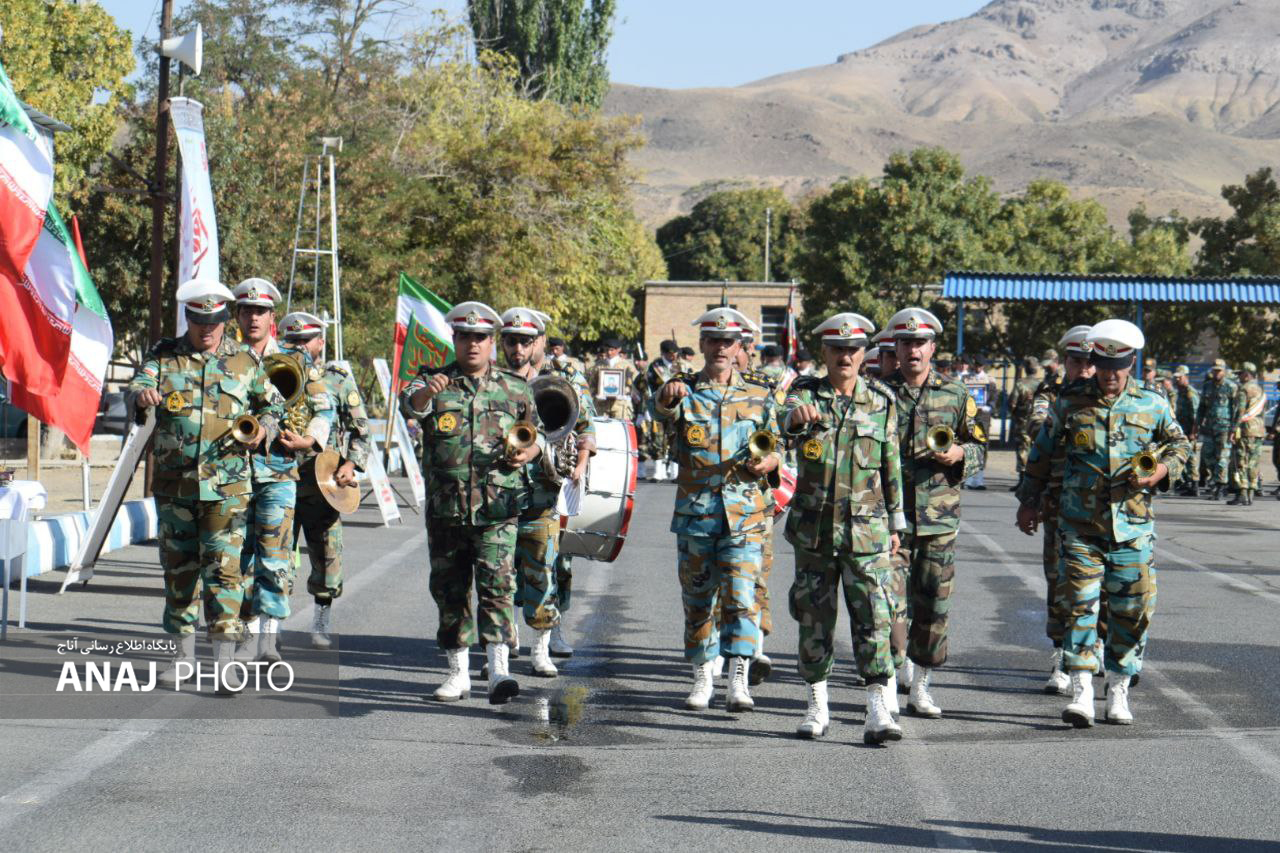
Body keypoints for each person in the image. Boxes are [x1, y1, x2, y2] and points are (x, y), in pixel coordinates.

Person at [1016, 319, 1189, 727]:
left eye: (1119, 367)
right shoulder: (1069, 402)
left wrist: (1161, 470)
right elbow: (1041, 454)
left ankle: (1117, 690)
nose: (1110, 376)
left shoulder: (1153, 403)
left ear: (1132, 363)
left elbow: (1180, 444)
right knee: (1079, 607)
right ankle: (1080, 692)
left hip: (1133, 527)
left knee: (1132, 610)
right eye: (1103, 366)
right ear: (1093, 361)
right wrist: (1028, 501)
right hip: (1079, 525)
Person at [127, 279, 283, 687]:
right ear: (188, 318)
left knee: (225, 574)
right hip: (175, 488)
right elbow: (139, 385)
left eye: (214, 320)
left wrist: (263, 429)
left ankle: (226, 661)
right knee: (179, 572)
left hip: (228, 491)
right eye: (198, 320)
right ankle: (182, 656)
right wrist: (142, 397)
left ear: (224, 319)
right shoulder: (164, 356)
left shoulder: (245, 361)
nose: (206, 329)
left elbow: (274, 407)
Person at [401, 301, 542, 705]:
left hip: (498, 508)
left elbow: (536, 436)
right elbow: (411, 406)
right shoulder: (430, 381)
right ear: (455, 339)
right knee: (450, 590)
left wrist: (526, 454)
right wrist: (429, 391)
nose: (473, 344)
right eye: (465, 336)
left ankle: (499, 672)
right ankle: (458, 673)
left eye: (481, 337)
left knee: (498, 586)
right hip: (447, 510)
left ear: (491, 341)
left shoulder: (514, 388)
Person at [782, 312, 905, 744]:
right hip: (814, 529)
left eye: (853, 350)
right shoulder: (802, 394)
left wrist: (898, 521)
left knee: (874, 616)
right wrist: (792, 421)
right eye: (837, 349)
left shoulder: (882, 401)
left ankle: (877, 706)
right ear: (825, 353)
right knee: (814, 617)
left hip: (868, 532)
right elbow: (777, 428)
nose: (845, 357)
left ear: (863, 353)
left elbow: (891, 466)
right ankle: (817, 702)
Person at [652, 307, 781, 713]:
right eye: (713, 340)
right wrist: (664, 399)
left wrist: (770, 461)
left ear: (740, 346)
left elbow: (776, 444)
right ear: (703, 345)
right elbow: (662, 417)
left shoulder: (760, 393)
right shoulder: (683, 389)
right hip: (697, 514)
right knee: (698, 600)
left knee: (742, 598)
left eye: (729, 341)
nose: (721, 347)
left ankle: (738, 679)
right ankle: (703, 675)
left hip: (746, 514)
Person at [882, 307, 986, 718]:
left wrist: (960, 453)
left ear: (932, 348)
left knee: (934, 606)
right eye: (905, 343)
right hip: (890, 519)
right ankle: (888, 681)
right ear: (896, 347)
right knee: (888, 604)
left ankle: (921, 684)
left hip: (939, 519)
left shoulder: (956, 394)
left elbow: (978, 446)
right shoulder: (877, 392)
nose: (913, 350)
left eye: (920, 343)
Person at [232, 279, 335, 663]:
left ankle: (268, 638)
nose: (253, 317)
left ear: (272, 317)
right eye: (246, 310)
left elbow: (324, 408)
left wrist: (310, 440)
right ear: (237, 316)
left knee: (275, 556)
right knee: (237, 556)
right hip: (232, 474)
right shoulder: (224, 357)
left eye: (261, 311)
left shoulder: (298, 360)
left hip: (279, 470)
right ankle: (244, 635)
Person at [499, 307, 595, 676]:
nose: (519, 347)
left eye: (527, 340)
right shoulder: (492, 380)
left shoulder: (561, 378)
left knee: (547, 567)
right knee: (499, 573)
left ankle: (545, 642)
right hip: (500, 493)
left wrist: (582, 462)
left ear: (538, 341)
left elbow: (583, 423)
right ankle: (503, 649)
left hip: (544, 491)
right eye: (512, 340)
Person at [285, 312, 371, 651]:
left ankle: (320, 621)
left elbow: (360, 429)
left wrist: (351, 464)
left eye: (305, 341)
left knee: (327, 557)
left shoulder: (337, 380)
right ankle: (271, 624)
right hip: (278, 479)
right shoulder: (272, 372)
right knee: (272, 556)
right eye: (292, 341)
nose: (299, 347)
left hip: (324, 485)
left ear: (320, 342)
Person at [1025, 325, 1096, 694]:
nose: (1084, 369)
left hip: (1099, 506)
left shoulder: (1109, 396)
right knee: (1058, 580)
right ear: (1064, 361)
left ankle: (1092, 649)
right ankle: (1061, 654)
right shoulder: (1050, 395)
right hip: (1057, 501)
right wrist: (1031, 499)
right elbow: (1039, 431)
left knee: (1101, 586)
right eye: (1076, 361)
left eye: (1090, 362)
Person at [1196, 358, 1238, 501]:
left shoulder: (1231, 386)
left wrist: (1234, 428)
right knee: (1208, 456)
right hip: (1209, 427)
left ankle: (1221, 486)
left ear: (1224, 371)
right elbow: (1201, 407)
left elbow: (1236, 409)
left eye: (1219, 371)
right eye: (1214, 370)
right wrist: (1197, 424)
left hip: (1224, 428)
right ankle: (1216, 480)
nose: (1216, 373)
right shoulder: (1207, 386)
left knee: (1222, 458)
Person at [1228, 362, 1265, 505]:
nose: (1239, 377)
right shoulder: (1260, 390)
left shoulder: (1243, 390)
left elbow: (1240, 412)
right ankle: (1251, 492)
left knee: (1242, 461)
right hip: (1259, 430)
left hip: (1245, 429)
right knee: (1254, 462)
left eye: (1241, 373)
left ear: (1247, 374)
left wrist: (1233, 430)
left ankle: (1243, 492)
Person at [645, 340, 682, 481]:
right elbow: (648, 387)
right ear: (663, 353)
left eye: (675, 353)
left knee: (675, 437)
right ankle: (658, 471)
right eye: (670, 353)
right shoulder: (655, 367)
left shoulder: (681, 366)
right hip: (658, 406)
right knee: (658, 438)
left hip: (676, 408)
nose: (673, 356)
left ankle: (675, 471)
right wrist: (647, 407)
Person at [962, 358, 996, 490]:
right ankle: (968, 478)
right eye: (976, 365)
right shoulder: (966, 379)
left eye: (981, 366)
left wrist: (990, 406)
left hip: (983, 416)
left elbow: (994, 396)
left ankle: (979, 479)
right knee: (969, 444)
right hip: (969, 416)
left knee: (982, 445)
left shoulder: (990, 380)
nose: (978, 368)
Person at [587, 337, 637, 422]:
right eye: (607, 350)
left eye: (612, 350)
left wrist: (625, 393)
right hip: (602, 405)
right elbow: (592, 384)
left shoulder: (627, 365)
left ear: (618, 350)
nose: (609, 352)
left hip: (620, 405)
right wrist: (596, 394)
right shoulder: (598, 365)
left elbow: (633, 384)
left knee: (620, 430)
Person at [1009, 356, 1043, 482]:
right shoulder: (1042, 385)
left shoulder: (1020, 383)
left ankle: (1022, 479)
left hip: (1022, 422)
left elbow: (1012, 403)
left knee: (1022, 449)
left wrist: (1015, 415)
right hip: (1038, 422)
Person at [1172, 366, 1201, 496]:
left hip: (1190, 430)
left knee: (1191, 458)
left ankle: (1194, 484)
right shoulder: (1180, 392)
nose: (1177, 380)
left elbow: (1196, 414)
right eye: (1176, 378)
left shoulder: (1191, 393)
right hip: (1182, 430)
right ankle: (1187, 483)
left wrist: (1194, 432)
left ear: (1186, 377)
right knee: (1183, 456)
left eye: (1180, 377)